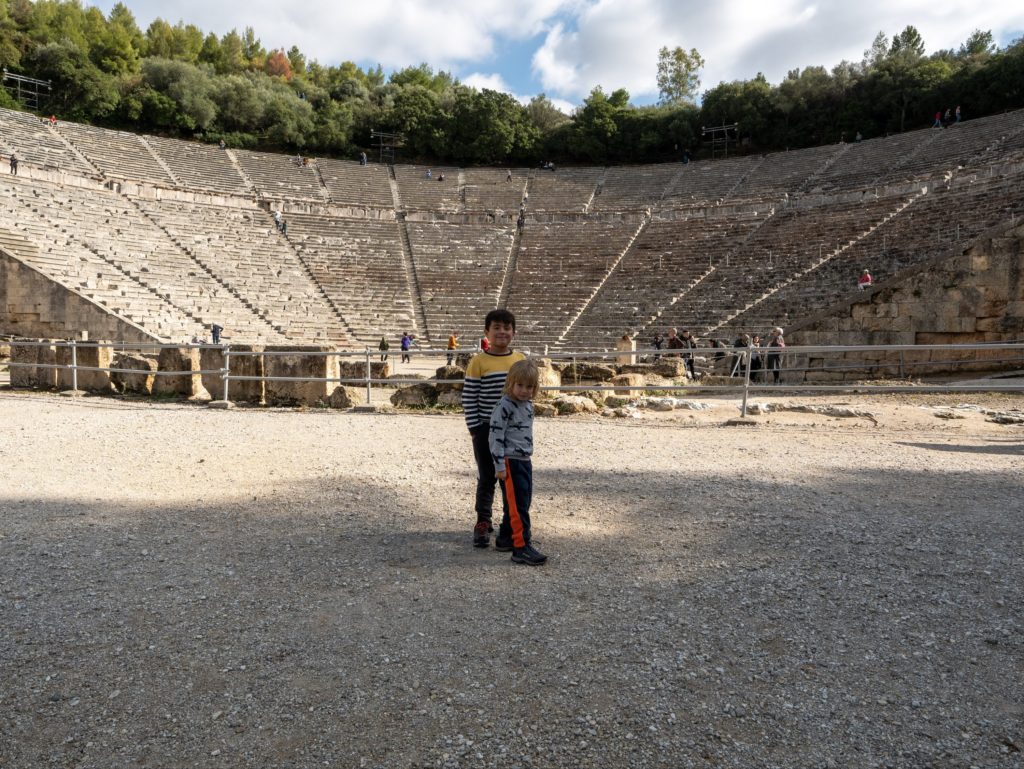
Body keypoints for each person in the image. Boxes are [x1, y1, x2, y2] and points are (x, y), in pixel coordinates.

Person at [462, 309, 525, 549]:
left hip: (512, 431)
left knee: (510, 477)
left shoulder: (519, 359)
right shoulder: (478, 361)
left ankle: (509, 523)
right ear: (486, 332)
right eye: (496, 327)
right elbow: (470, 396)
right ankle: (483, 520)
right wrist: (475, 427)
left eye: (507, 328)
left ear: (513, 332)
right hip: (486, 428)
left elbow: (525, 394)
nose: (502, 332)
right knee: (487, 476)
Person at [489, 358, 546, 565]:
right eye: (520, 385)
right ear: (510, 383)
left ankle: (506, 537)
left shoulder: (528, 405)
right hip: (510, 461)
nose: (524, 390)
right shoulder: (504, 406)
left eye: (529, 387)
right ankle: (521, 546)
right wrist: (499, 465)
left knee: (521, 501)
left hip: (524, 459)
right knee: (518, 506)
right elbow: (495, 436)